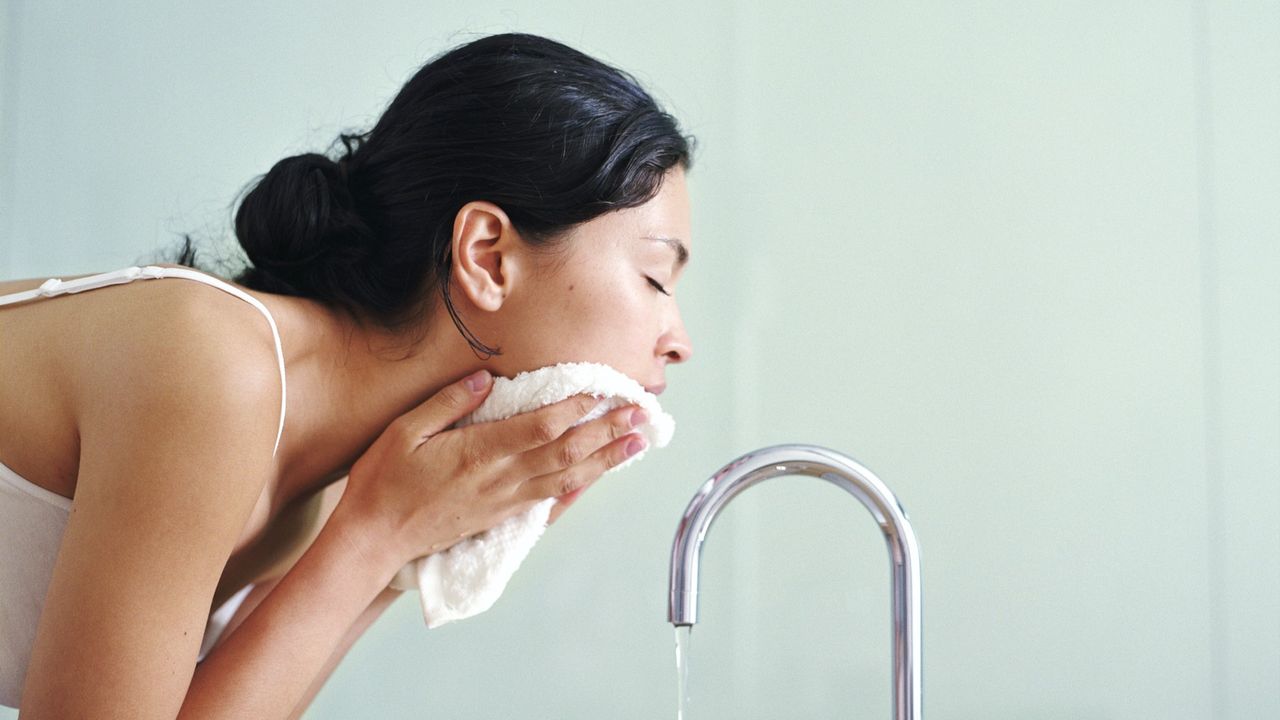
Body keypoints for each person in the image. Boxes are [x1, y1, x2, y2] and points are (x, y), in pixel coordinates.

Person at [0, 32, 694, 718]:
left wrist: (407, 549)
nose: (679, 342)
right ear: (487, 257)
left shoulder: (340, 486)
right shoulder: (215, 366)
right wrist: (379, 534)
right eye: (656, 278)